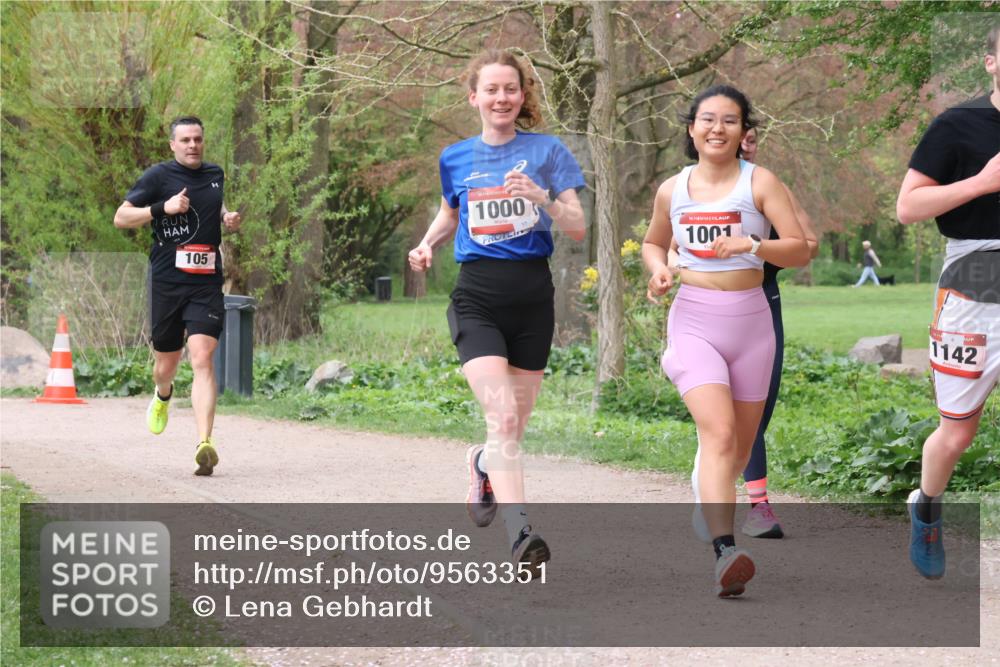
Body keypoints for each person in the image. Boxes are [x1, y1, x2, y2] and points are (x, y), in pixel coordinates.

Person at [407, 50, 586, 577]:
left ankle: (483, 464)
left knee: (510, 430)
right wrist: (427, 245)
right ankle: (521, 534)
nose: (502, 98)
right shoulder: (455, 157)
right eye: (491, 90)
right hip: (478, 298)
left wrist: (544, 199)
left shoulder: (548, 152)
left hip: (533, 300)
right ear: (474, 97)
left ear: (522, 96)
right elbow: (450, 210)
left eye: (511, 89)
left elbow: (576, 225)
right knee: (502, 416)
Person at [643, 85, 809, 597]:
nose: (718, 128)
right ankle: (725, 551)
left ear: (744, 132)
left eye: (730, 121)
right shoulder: (673, 190)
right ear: (691, 129)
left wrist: (754, 244)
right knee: (717, 435)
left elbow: (802, 249)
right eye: (707, 120)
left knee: (735, 450)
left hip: (752, 324)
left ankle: (707, 492)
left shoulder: (760, 183)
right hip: (693, 320)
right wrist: (658, 272)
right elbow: (654, 242)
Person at [674, 127, 820, 541]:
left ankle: (715, 481)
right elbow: (667, 243)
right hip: (703, 307)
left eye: (752, 137)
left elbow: (809, 245)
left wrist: (755, 245)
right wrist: (668, 267)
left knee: (755, 412)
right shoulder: (690, 188)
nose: (747, 144)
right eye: (743, 137)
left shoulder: (768, 186)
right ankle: (754, 504)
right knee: (721, 422)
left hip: (760, 300)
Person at [896, 23, 1000, 580]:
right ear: (990, 61)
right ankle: (927, 507)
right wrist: (981, 183)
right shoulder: (957, 125)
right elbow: (908, 208)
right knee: (958, 432)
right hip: (975, 280)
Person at [114, 116, 242, 477]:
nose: (192, 145)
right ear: (172, 144)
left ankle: (204, 443)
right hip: (168, 284)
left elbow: (214, 206)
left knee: (202, 358)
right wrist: (162, 209)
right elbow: (121, 218)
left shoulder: (216, 173)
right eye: (185, 139)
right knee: (165, 366)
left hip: (205, 284)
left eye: (198, 139)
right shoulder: (158, 177)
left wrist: (227, 218)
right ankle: (164, 394)